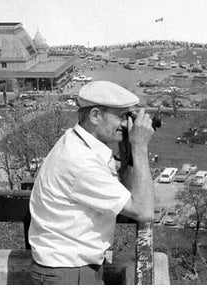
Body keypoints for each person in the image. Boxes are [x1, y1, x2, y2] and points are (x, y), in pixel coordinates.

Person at [28, 80, 154, 285]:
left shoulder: (77, 142)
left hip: (70, 267)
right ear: (95, 115)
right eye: (122, 116)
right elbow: (144, 210)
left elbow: (127, 192)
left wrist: (128, 150)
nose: (126, 124)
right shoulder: (81, 161)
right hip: (68, 272)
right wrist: (140, 147)